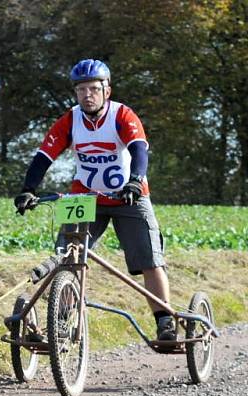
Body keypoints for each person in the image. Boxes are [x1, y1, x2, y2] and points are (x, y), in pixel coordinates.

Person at [13, 58, 175, 341]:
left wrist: (136, 181)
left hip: (129, 197)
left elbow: (139, 151)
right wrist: (29, 188)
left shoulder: (123, 115)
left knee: (150, 260)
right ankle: (62, 322)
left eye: (93, 89)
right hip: (85, 197)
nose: (87, 95)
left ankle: (165, 321)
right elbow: (43, 157)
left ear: (106, 91)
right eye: (81, 90)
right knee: (67, 258)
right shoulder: (69, 120)